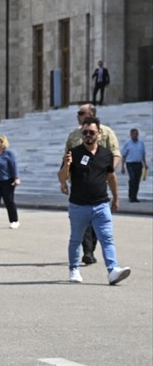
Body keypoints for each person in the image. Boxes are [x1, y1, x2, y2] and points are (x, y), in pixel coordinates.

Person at [58, 116, 130, 286]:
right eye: (85, 132)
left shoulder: (106, 154)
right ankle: (74, 269)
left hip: (101, 205)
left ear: (99, 133)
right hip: (78, 206)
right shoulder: (73, 153)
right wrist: (67, 166)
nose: (88, 135)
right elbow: (62, 178)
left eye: (91, 132)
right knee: (76, 239)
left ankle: (113, 270)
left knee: (107, 239)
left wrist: (116, 198)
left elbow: (111, 177)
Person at [63, 103, 120, 265]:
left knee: (99, 225)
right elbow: (66, 156)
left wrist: (105, 171)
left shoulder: (107, 132)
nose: (78, 116)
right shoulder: (74, 134)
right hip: (79, 185)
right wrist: (64, 179)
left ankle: (101, 258)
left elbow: (115, 154)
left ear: (90, 114)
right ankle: (87, 251)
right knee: (83, 224)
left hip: (99, 185)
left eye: (81, 113)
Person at [0, 134, 21, 229]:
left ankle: (14, 220)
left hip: (7, 181)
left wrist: (16, 178)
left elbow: (13, 166)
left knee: (9, 201)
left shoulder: (9, 154)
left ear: (2, 143)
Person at [120, 128, 147, 203]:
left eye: (136, 134)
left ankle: (134, 196)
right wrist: (122, 166)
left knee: (137, 180)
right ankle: (131, 195)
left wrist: (145, 164)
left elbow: (143, 154)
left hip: (138, 164)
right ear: (131, 135)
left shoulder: (141, 143)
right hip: (130, 164)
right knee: (132, 179)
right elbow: (124, 155)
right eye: (133, 134)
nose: (135, 135)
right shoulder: (127, 143)